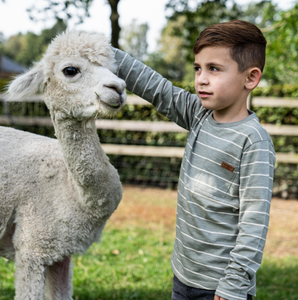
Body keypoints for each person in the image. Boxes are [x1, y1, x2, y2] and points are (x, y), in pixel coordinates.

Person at [112, 20, 275, 300]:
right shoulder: (198, 114)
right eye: (198, 68)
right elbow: (156, 87)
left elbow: (254, 223)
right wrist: (100, 51)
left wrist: (233, 285)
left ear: (250, 78)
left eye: (214, 69)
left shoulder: (254, 141)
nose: (201, 78)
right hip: (183, 276)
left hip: (221, 288)